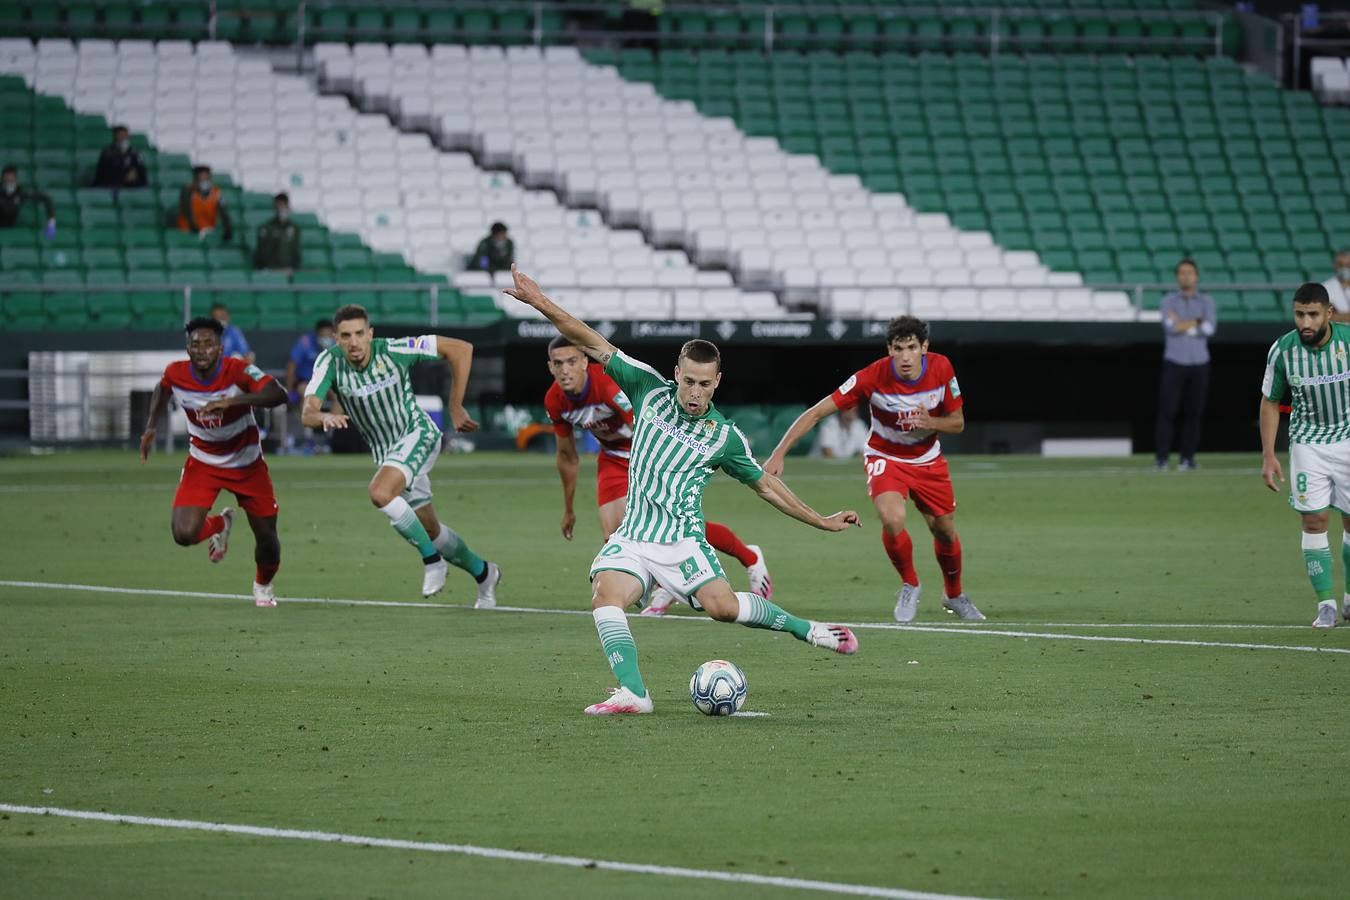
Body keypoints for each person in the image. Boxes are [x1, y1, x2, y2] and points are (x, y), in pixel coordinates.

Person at [503, 265, 860, 716]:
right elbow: (590, 339)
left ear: (717, 383)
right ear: (677, 373)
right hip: (634, 535)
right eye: (688, 380)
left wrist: (822, 521)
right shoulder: (647, 388)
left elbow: (767, 486)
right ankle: (633, 692)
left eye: (704, 384)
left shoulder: (724, 438)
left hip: (681, 542)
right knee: (605, 595)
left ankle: (807, 629)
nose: (694, 391)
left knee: (724, 609)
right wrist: (540, 303)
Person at [765, 315, 984, 625]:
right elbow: (816, 413)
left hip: (928, 460)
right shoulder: (872, 376)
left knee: (944, 530)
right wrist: (779, 452)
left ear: (924, 347)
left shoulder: (942, 368)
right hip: (886, 457)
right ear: (889, 349)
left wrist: (931, 423)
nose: (905, 356)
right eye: (898, 348)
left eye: (911, 347)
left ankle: (954, 594)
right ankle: (910, 584)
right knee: (892, 518)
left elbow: (958, 422)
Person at [544, 334, 773, 615]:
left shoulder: (605, 386)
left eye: (571, 361)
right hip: (614, 458)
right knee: (615, 533)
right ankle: (661, 582)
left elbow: (649, 423)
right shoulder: (554, 400)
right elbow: (567, 456)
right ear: (550, 367)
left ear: (584, 361)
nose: (565, 370)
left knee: (669, 523)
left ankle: (749, 556)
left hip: (652, 453)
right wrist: (568, 509)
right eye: (558, 364)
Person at [301, 304, 501, 602]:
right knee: (431, 529)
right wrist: (324, 417)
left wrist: (455, 405)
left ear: (370, 334)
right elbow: (307, 412)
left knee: (380, 493)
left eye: (359, 334)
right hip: (388, 454)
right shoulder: (329, 362)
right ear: (336, 338)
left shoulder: (395, 349)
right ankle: (485, 573)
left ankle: (432, 562)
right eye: (346, 336)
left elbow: (461, 349)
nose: (353, 342)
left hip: (418, 434)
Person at [138, 316, 287, 608]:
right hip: (204, 462)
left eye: (209, 344)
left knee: (267, 537)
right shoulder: (176, 373)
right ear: (187, 348)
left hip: (247, 463)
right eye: (195, 344)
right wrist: (151, 426)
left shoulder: (238, 371)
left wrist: (232, 402)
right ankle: (220, 524)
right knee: (183, 534)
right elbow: (162, 389)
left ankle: (263, 584)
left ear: (220, 348)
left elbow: (277, 393)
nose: (202, 350)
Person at [1259, 282, 1350, 629]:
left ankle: (1349, 599)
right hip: (1308, 443)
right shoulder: (1283, 350)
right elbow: (1270, 401)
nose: (1305, 322)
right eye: (1299, 314)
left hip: (1348, 438)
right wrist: (1268, 454)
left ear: (1329, 313)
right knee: (1314, 520)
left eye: (1313, 314)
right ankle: (1325, 602)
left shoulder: (1348, 342)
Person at [1155, 258, 1217, 471]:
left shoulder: (1207, 302)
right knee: (1167, 411)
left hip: (1200, 363)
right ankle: (1162, 459)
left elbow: (1209, 329)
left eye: (1189, 272)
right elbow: (1170, 327)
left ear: (1196, 276)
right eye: (1182, 272)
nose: (1186, 276)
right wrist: (1197, 321)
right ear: (1177, 276)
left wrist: (1184, 323)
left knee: (1194, 413)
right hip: (1174, 361)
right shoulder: (1167, 301)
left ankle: (1187, 459)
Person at [283, 319, 337, 454]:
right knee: (306, 392)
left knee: (339, 397)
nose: (326, 338)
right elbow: (291, 366)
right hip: (305, 381)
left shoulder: (337, 345)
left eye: (329, 335)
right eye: (323, 335)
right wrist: (289, 391)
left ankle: (330, 436)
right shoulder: (305, 342)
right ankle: (309, 438)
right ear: (317, 334)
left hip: (327, 382)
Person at [177, 165, 232, 242]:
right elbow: (187, 210)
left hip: (207, 231)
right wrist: (194, 228)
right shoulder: (187, 190)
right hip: (188, 231)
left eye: (206, 177)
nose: (204, 180)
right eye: (200, 177)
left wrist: (228, 229)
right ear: (195, 178)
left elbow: (224, 213)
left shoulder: (217, 192)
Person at [252, 192, 301, 272]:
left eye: (282, 205)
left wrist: (294, 268)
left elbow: (296, 251)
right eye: (277, 206)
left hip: (287, 270)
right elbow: (260, 250)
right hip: (270, 270)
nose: (280, 209)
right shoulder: (267, 227)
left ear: (287, 206)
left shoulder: (294, 228)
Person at [0, 165, 55, 234]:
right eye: (6, 178)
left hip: (12, 228)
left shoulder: (21, 193)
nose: (9, 180)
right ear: (2, 178)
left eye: (11, 178)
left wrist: (51, 222)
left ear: (15, 178)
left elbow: (46, 198)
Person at [92, 125, 147, 189]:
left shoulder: (134, 152)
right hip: (111, 184)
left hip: (132, 184)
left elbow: (140, 168)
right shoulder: (107, 152)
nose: (123, 137)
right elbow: (105, 171)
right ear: (115, 136)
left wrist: (134, 171)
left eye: (125, 135)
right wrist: (125, 175)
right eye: (120, 135)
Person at [1319, 248, 1350, 324]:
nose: (1344, 268)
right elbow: (1329, 317)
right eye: (1340, 265)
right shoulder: (1324, 288)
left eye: (1348, 265)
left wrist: (1340, 315)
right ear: (1334, 265)